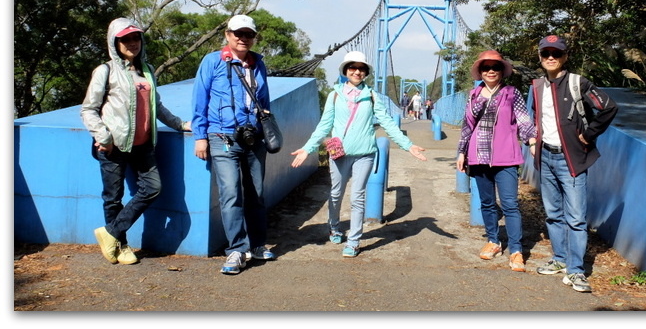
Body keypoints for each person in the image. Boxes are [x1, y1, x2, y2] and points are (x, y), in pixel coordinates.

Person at [290, 51, 427, 257]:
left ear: (365, 73)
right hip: (339, 153)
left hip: (364, 154)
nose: (357, 71)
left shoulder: (372, 96)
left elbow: (388, 123)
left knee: (357, 197)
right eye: (352, 67)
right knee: (336, 194)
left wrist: (408, 145)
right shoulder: (334, 95)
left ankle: (353, 241)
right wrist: (307, 147)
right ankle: (334, 226)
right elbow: (324, 125)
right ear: (345, 71)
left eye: (361, 68)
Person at [81, 18, 191, 265]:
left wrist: (180, 124)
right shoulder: (105, 71)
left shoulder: (147, 70)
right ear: (115, 42)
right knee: (113, 197)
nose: (132, 43)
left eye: (135, 38)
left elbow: (157, 106)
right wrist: (104, 137)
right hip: (114, 145)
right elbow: (88, 109)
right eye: (125, 39)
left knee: (152, 188)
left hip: (143, 145)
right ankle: (120, 245)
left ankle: (110, 233)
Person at [530, 35, 618, 292]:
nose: (550, 57)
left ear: (565, 57)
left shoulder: (578, 83)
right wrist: (532, 142)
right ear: (539, 56)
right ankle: (559, 259)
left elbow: (609, 107)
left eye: (556, 53)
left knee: (576, 219)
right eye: (546, 53)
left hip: (571, 159)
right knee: (553, 215)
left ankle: (576, 271)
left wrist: (589, 135)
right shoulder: (536, 86)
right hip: (545, 157)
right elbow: (533, 117)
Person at [192, 14, 276, 275]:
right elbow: (200, 98)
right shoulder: (212, 61)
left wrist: (265, 129)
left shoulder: (257, 64)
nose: (243, 38)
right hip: (223, 137)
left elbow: (264, 101)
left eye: (248, 34)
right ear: (227, 35)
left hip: (253, 138)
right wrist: (200, 135)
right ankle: (237, 250)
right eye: (237, 33)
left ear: (254, 37)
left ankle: (258, 244)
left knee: (257, 193)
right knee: (231, 194)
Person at [456, 50, 536, 272]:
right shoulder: (473, 95)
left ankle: (516, 250)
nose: (490, 71)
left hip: (506, 157)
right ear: (480, 72)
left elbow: (523, 119)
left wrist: (531, 140)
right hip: (478, 156)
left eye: (495, 67)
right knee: (487, 202)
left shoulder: (512, 93)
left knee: (510, 204)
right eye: (486, 67)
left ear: (502, 71)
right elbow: (467, 126)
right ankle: (493, 240)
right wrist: (462, 152)